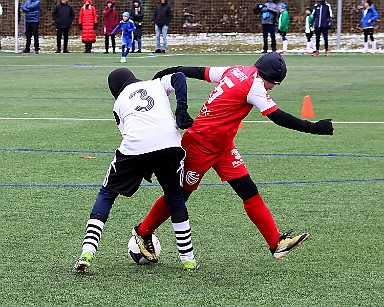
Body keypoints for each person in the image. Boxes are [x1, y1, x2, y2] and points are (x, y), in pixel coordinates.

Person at [133, 52, 334, 263]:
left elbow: (201, 72)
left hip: (223, 148)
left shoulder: (235, 70)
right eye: (273, 83)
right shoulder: (254, 85)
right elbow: (278, 117)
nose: (272, 87)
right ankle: (143, 231)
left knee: (248, 191)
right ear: (266, 76)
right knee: (179, 196)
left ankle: (276, 243)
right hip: (200, 145)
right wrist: (315, 128)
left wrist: (175, 69)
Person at [75, 67, 198, 272]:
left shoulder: (118, 103)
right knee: (175, 196)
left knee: (107, 193)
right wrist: (181, 110)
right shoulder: (155, 83)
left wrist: (145, 165)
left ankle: (87, 252)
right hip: (170, 144)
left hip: (135, 147)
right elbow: (179, 77)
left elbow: (130, 134)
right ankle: (188, 260)